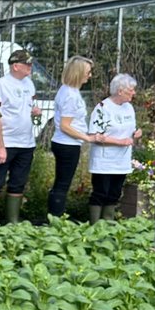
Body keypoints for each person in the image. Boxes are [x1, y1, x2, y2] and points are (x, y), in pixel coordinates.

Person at [0, 49, 42, 224]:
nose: (30, 67)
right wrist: (0, 146)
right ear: (15, 66)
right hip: (6, 143)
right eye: (27, 64)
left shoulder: (29, 84)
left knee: (18, 183)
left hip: (26, 143)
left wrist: (34, 113)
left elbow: (28, 109)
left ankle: (12, 223)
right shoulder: (1, 85)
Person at [87, 74, 142, 223]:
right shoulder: (102, 108)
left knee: (115, 193)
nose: (134, 93)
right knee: (100, 192)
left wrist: (136, 134)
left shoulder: (129, 108)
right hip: (104, 160)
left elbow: (130, 133)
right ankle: (94, 225)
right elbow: (95, 135)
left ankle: (108, 221)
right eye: (131, 90)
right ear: (120, 91)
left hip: (121, 160)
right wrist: (119, 141)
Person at [48, 56, 96, 217]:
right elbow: (65, 125)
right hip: (67, 144)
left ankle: (56, 217)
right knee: (62, 184)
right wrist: (87, 137)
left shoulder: (70, 91)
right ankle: (56, 219)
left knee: (61, 183)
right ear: (79, 72)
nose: (89, 76)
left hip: (67, 143)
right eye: (88, 72)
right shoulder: (69, 95)